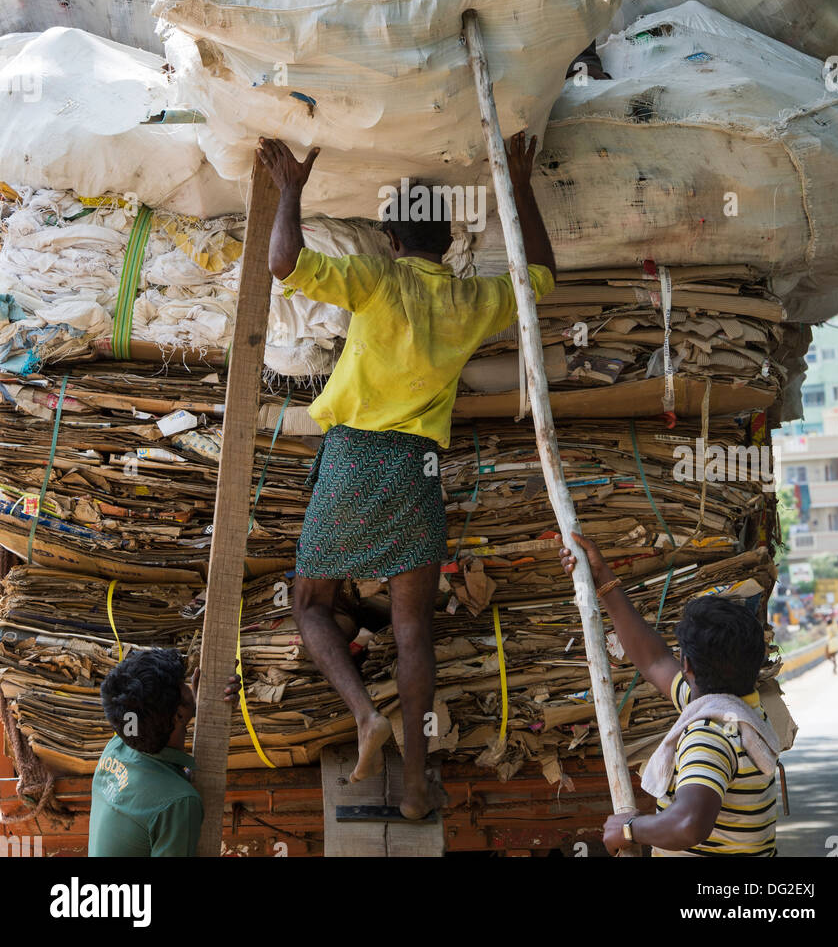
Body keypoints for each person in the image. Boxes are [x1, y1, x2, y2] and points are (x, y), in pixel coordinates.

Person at [258, 132, 555, 820]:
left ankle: (365, 714)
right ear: (448, 243)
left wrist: (293, 189)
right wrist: (517, 185)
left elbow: (284, 263)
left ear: (389, 239)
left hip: (355, 458)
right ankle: (418, 788)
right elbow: (540, 277)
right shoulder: (471, 299)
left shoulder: (375, 280)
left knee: (310, 604)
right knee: (412, 628)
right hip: (418, 469)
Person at [559, 533, 781, 857]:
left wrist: (629, 828)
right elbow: (652, 659)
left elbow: (689, 824)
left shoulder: (710, 735)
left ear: (688, 666)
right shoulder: (738, 710)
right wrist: (602, 578)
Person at [89, 648, 239, 857]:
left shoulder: (119, 746)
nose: (187, 685)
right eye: (182, 685)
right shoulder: (178, 803)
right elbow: (164, 799)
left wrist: (199, 707)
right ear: (177, 714)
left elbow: (150, 793)